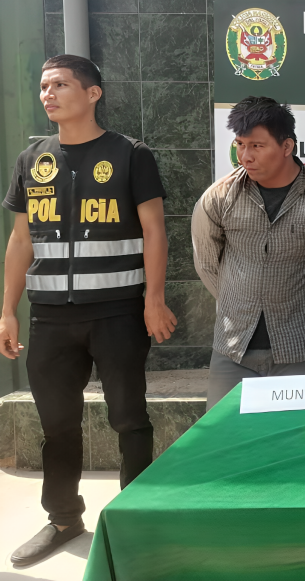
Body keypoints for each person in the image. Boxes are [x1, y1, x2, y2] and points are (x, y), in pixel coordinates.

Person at [0, 55, 177, 565]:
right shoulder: (32, 159)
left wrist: (154, 299)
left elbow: (154, 230)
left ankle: (135, 517)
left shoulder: (130, 154)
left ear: (93, 93)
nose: (48, 94)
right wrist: (8, 310)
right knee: (57, 425)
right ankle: (63, 518)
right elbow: (20, 240)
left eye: (60, 84)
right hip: (51, 317)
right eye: (43, 86)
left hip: (117, 313)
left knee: (129, 418)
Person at [192, 97, 305, 409]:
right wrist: (240, 299)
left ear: (286, 146)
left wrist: (298, 302)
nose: (245, 156)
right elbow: (207, 263)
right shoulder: (219, 198)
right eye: (240, 144)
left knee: (291, 436)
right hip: (233, 347)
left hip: (299, 349)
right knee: (225, 434)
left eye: (257, 146)